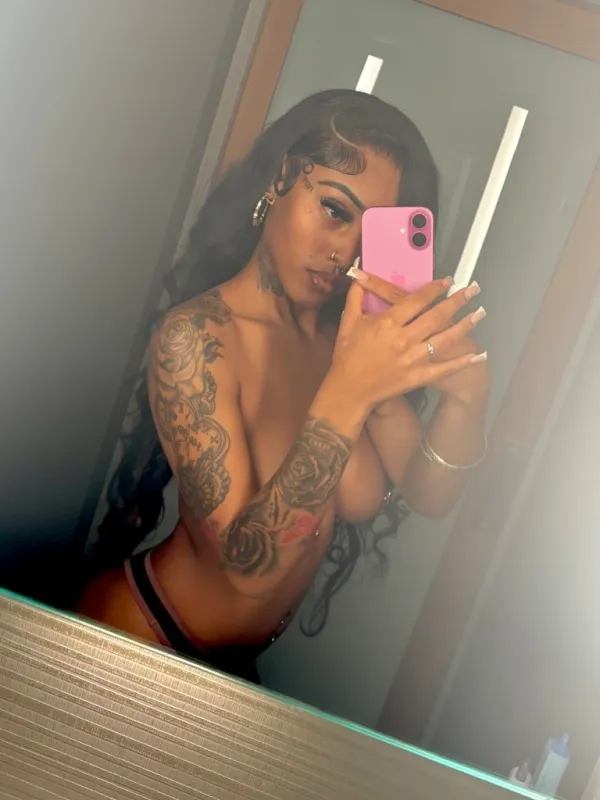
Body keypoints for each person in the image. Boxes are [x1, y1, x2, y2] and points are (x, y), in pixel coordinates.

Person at [76, 89, 490, 682]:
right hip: (140, 640)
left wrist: (468, 398)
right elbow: (247, 567)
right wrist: (349, 393)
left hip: (231, 673)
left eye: (371, 234)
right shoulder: (196, 338)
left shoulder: (342, 346)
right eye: (335, 210)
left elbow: (429, 493)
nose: (344, 252)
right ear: (279, 180)